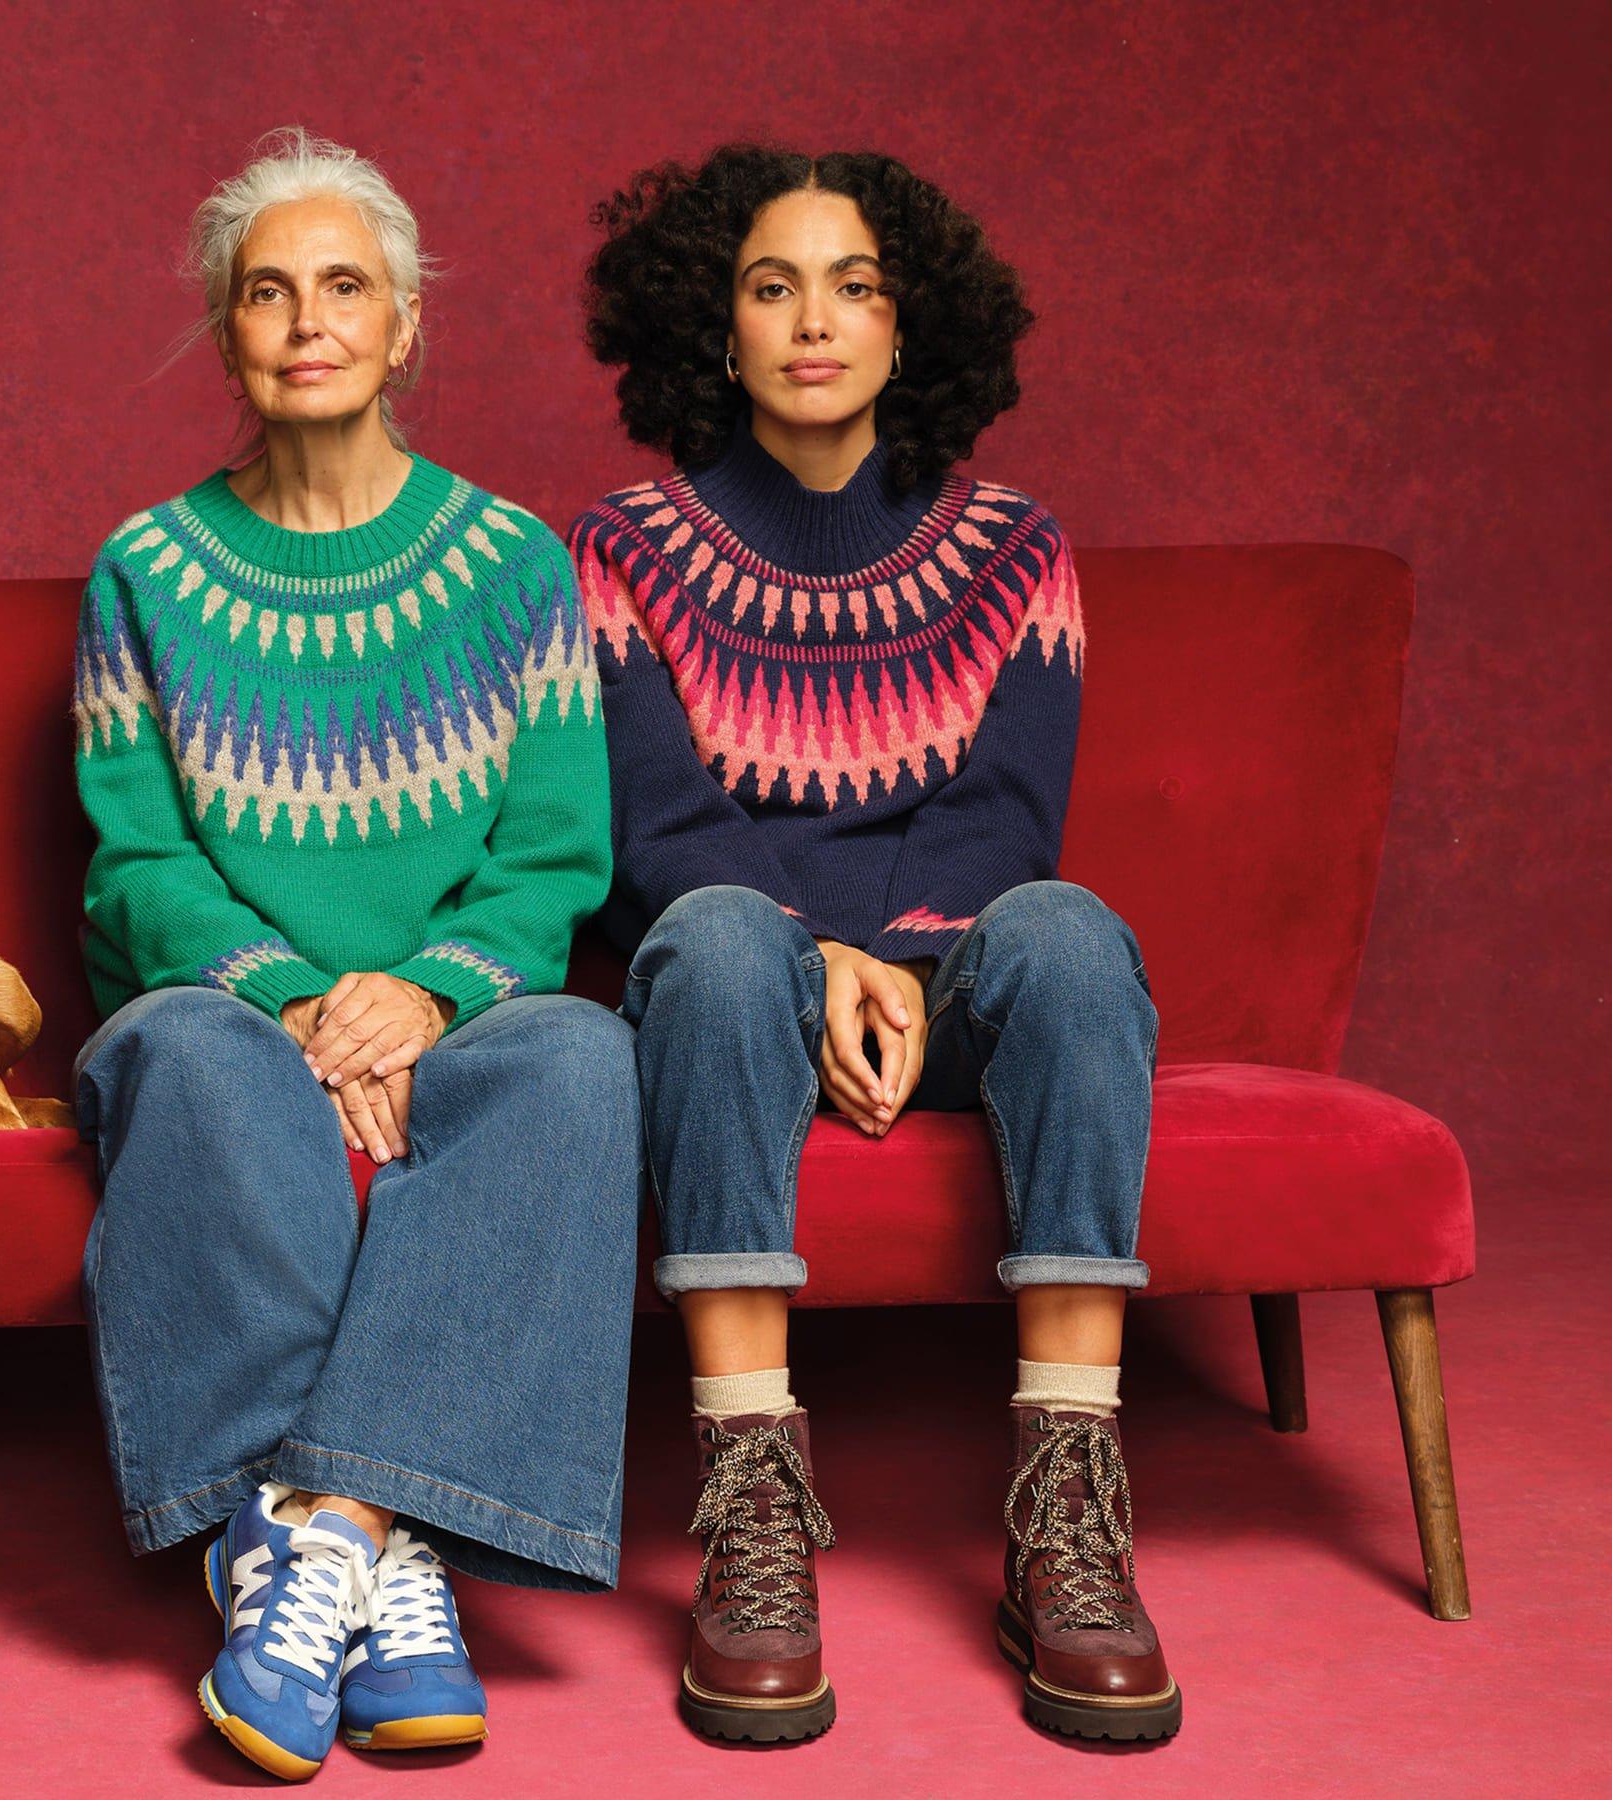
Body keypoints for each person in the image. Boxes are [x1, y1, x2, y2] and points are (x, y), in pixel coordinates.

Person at [570, 144, 1180, 1745]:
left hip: (952, 983)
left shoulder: (1013, 549)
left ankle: (1068, 1508)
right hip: (730, 986)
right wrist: (805, 953)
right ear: (720, 330)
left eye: (856, 287)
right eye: (773, 288)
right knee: (708, 936)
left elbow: (1005, 815)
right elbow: (653, 816)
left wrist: (897, 965)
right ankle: (752, 1503)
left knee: (1071, 930)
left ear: (912, 331)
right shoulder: (623, 547)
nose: (814, 321)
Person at [70, 127, 637, 1781]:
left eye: (346, 287)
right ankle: (383, 1570)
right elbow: (138, 865)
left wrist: (427, 994)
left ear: (404, 328)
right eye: (269, 292)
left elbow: (550, 862)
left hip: (454, 1014)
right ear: (226, 330)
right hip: (240, 1014)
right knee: (181, 1053)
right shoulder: (146, 573)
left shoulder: (518, 569)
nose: (309, 320)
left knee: (587, 1056)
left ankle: (324, 1527)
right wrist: (308, 1005)